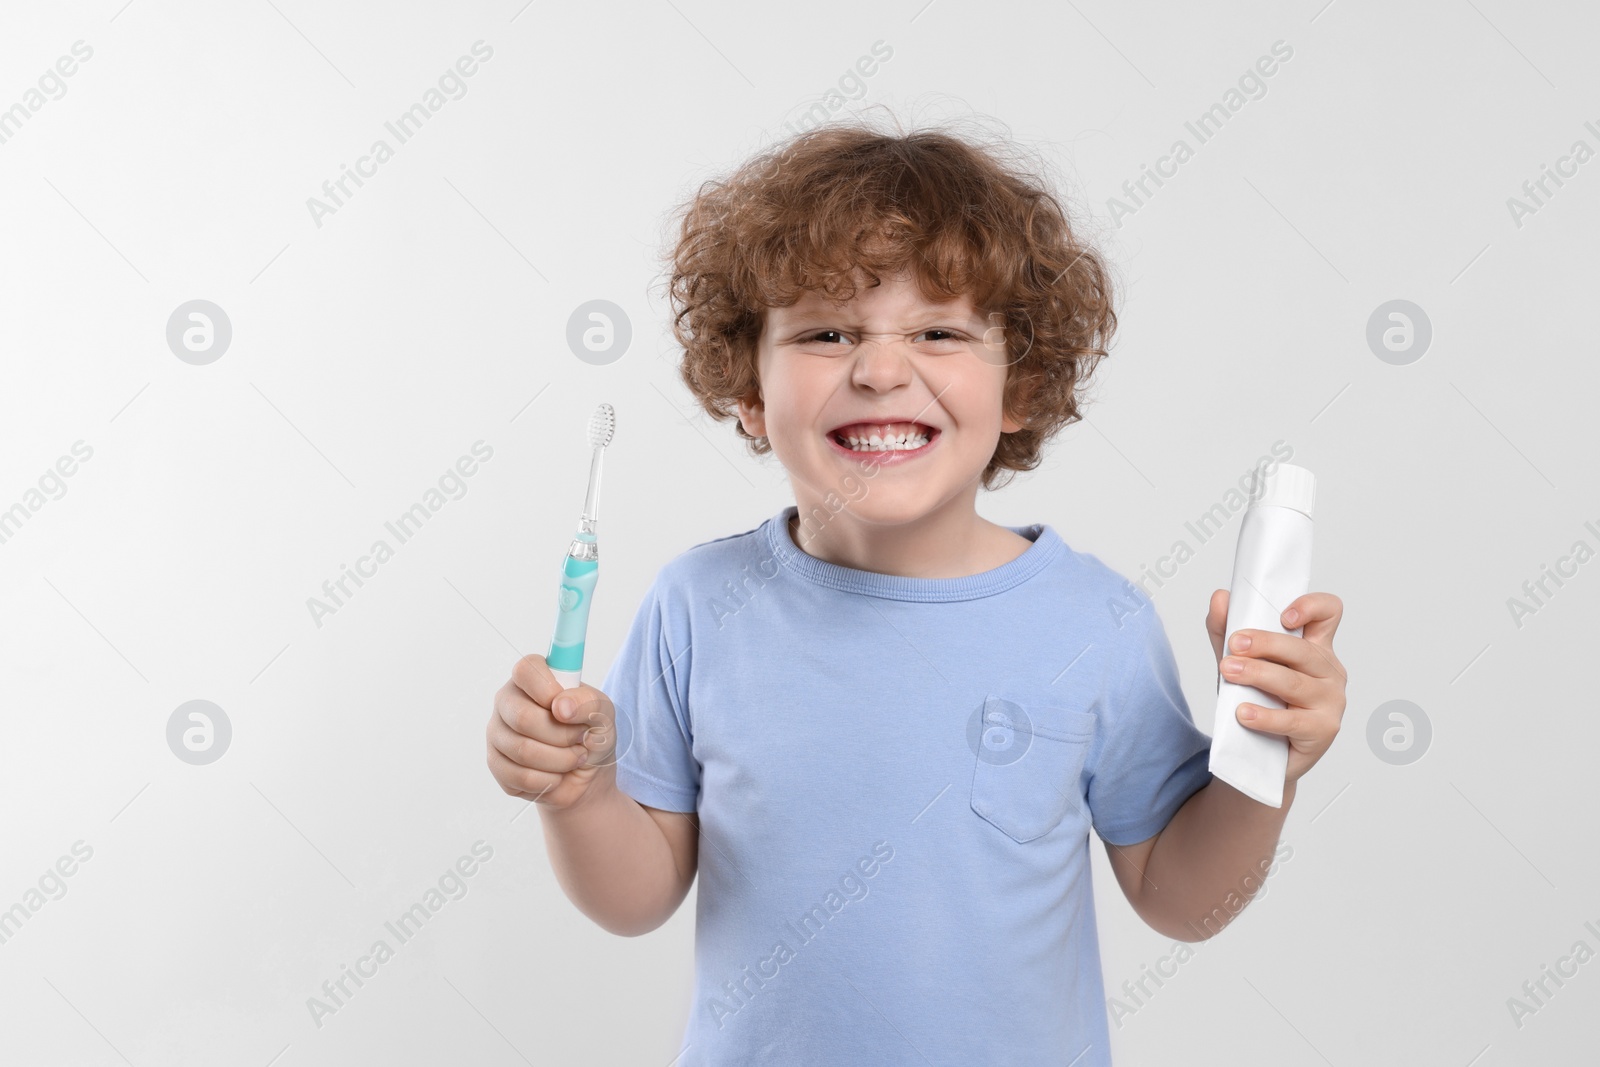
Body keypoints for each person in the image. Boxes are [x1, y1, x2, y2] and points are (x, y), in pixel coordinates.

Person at [486, 110, 1348, 1065]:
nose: (882, 368)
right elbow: (634, 896)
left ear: (1020, 386)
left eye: (939, 330)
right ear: (749, 388)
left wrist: (1265, 764)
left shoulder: (1095, 622)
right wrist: (578, 790)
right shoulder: (697, 605)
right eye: (825, 331)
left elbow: (1184, 900)